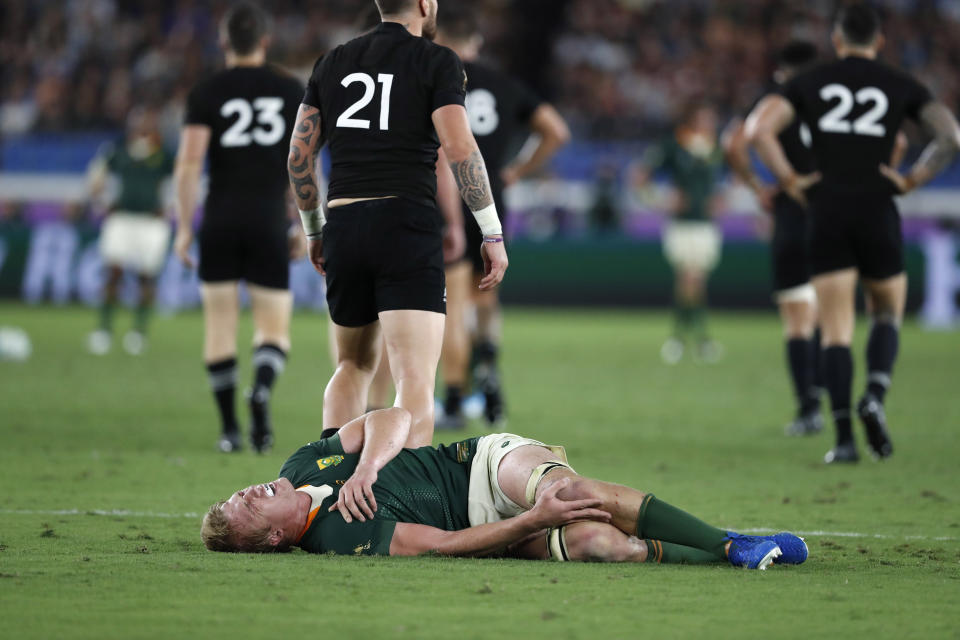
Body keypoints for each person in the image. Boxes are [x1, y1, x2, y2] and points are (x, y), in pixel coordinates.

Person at [288, 0, 509, 448]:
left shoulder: (332, 61)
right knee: (413, 378)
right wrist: (491, 231)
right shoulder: (437, 60)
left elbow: (298, 156)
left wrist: (314, 229)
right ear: (426, 4)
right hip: (405, 222)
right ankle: (405, 498)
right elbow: (460, 149)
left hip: (345, 222)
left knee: (351, 367)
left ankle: (330, 483)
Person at [201, 407, 808, 570]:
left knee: (569, 495)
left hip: (481, 464)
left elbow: (394, 419)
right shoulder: (335, 538)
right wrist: (529, 523)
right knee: (602, 545)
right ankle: (720, 554)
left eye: (239, 493)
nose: (249, 491)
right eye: (247, 508)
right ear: (276, 538)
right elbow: (440, 545)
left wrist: (364, 468)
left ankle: (732, 544)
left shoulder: (306, 462)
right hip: (489, 531)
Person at [749, 4, 960, 463]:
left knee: (836, 331)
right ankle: (876, 394)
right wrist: (911, 180)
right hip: (877, 207)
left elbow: (761, 130)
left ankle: (843, 439)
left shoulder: (812, 81)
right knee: (886, 312)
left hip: (826, 211)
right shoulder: (900, 83)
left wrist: (789, 180)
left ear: (838, 41)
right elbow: (950, 136)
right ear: (879, 41)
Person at [173, 2, 306, 453]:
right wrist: (307, 223)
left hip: (221, 219)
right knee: (273, 329)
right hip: (269, 219)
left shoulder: (207, 91)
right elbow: (300, 162)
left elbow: (189, 165)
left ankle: (229, 430)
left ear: (224, 41)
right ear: (265, 41)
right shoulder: (290, 90)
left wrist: (184, 229)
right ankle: (262, 392)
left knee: (220, 327)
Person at [434, 7, 570, 429]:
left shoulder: (434, 79)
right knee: (486, 299)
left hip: (446, 199)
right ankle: (490, 377)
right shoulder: (501, 83)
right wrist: (517, 170)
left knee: (453, 307)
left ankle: (454, 399)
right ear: (475, 41)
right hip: (491, 198)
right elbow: (557, 130)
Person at [640, 104, 725, 364]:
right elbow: (641, 176)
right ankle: (695, 338)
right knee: (690, 279)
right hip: (682, 224)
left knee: (694, 282)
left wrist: (724, 198)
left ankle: (683, 338)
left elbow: (733, 177)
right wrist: (661, 201)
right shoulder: (675, 145)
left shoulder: (716, 149)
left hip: (706, 224)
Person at [87, 106, 175, 356]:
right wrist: (102, 202)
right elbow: (96, 178)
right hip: (122, 219)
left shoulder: (164, 154)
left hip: (151, 222)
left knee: (146, 276)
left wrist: (169, 208)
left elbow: (178, 182)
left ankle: (138, 331)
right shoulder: (117, 150)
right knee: (113, 272)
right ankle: (104, 329)